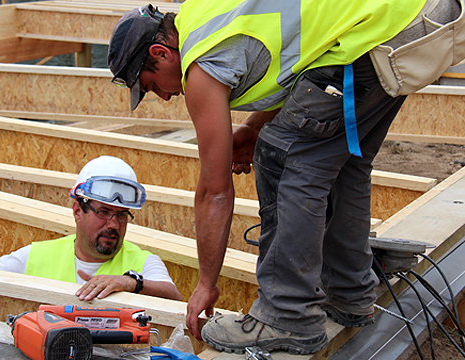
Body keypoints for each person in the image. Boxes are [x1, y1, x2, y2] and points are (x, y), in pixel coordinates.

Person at [108, 0, 464, 355]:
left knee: (282, 158)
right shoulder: (203, 15)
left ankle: (286, 314)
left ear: (161, 52)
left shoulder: (199, 64)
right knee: (342, 160)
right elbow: (301, 59)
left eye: (152, 85)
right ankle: (349, 292)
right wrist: (252, 126)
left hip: (377, 36)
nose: (165, 95)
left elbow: (214, 191)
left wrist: (205, 284)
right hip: (409, 21)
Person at [0, 156, 183, 302]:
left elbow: (173, 297)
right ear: (78, 210)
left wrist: (130, 283)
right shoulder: (34, 257)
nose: (114, 224)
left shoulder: (142, 263)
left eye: (122, 215)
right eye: (103, 212)